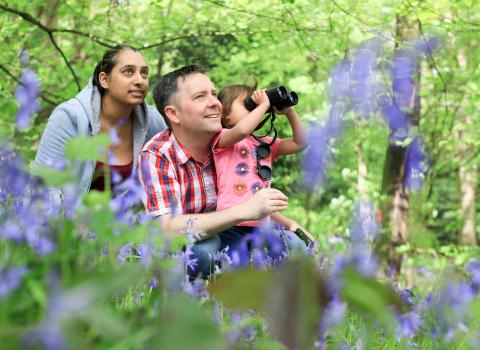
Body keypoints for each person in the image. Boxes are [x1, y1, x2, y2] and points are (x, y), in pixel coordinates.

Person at [138, 65, 305, 279]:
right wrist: (243, 211)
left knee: (292, 245)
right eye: (200, 97)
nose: (214, 103)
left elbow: (252, 201)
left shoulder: (237, 146)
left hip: (238, 231)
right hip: (197, 239)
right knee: (201, 253)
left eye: (214, 94)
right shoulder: (158, 155)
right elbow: (167, 227)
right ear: (173, 113)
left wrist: (288, 223)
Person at [35, 45, 166, 206]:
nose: (139, 80)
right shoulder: (69, 117)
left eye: (144, 73)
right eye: (128, 71)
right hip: (71, 225)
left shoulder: (153, 122)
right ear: (104, 80)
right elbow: (46, 187)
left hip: (129, 228)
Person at [214, 83, 314, 240]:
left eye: (254, 106)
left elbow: (301, 143)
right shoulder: (222, 137)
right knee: (233, 263)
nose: (254, 108)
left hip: (261, 224)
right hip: (230, 222)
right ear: (224, 113)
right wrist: (264, 104)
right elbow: (241, 130)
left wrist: (289, 112)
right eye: (247, 104)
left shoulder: (264, 143)